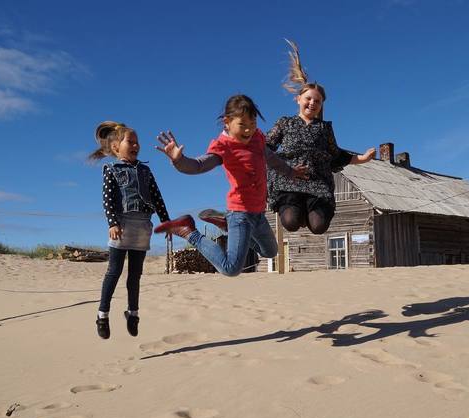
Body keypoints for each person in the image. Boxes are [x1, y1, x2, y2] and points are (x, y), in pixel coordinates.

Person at [153, 94, 307, 276]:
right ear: (227, 122)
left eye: (253, 123)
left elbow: (271, 158)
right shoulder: (224, 146)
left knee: (270, 252)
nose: (248, 130)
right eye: (242, 124)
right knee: (231, 268)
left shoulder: (257, 138)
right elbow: (199, 165)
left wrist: (291, 171)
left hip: (258, 213)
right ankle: (190, 231)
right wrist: (179, 161)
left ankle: (226, 225)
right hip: (240, 214)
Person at [266, 40, 376, 234]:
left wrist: (363, 158)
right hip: (290, 180)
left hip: (318, 182)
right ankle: (297, 213)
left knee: (318, 227)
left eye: (317, 101)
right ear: (298, 99)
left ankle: (309, 213)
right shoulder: (285, 123)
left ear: (321, 104)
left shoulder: (324, 128)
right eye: (308, 98)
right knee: (290, 222)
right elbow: (266, 146)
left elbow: (336, 155)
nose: (312, 103)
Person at [88, 121, 170, 339]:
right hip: (122, 225)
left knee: (135, 274)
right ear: (116, 147)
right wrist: (112, 223)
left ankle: (133, 314)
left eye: (137, 142)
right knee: (114, 271)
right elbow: (108, 200)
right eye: (130, 142)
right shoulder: (111, 169)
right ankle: (102, 315)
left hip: (143, 226)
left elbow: (157, 198)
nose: (136, 145)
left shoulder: (145, 170)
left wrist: (166, 222)